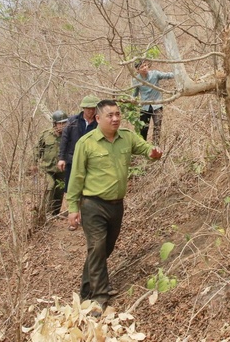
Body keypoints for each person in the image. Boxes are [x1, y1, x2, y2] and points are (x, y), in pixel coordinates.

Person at [66, 99, 163, 313]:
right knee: (97, 247)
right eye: (110, 115)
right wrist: (73, 207)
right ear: (98, 118)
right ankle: (100, 296)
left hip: (116, 205)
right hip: (93, 205)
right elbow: (76, 177)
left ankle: (85, 290)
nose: (116, 118)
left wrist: (153, 153)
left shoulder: (126, 138)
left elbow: (146, 148)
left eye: (118, 114)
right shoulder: (87, 143)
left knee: (103, 249)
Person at [58, 95, 99, 198]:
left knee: (88, 186)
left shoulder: (99, 122)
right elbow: (64, 139)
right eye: (88, 108)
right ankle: (70, 209)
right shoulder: (73, 121)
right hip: (72, 158)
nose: (91, 111)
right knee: (70, 186)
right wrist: (62, 158)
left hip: (91, 160)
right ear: (83, 108)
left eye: (93, 108)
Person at [33, 110, 69, 218]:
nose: (62, 126)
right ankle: (46, 212)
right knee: (50, 186)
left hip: (62, 169)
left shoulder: (69, 136)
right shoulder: (45, 135)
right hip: (48, 168)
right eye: (60, 123)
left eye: (64, 123)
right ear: (54, 124)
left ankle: (55, 213)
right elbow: (37, 149)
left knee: (60, 190)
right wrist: (34, 163)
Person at [132, 59, 174, 146]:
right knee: (143, 129)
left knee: (157, 127)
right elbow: (134, 94)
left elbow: (167, 75)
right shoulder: (136, 80)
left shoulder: (155, 74)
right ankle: (143, 147)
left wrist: (178, 73)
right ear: (137, 69)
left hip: (157, 105)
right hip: (144, 107)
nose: (145, 68)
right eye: (142, 67)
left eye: (145, 65)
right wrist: (132, 99)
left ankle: (155, 149)